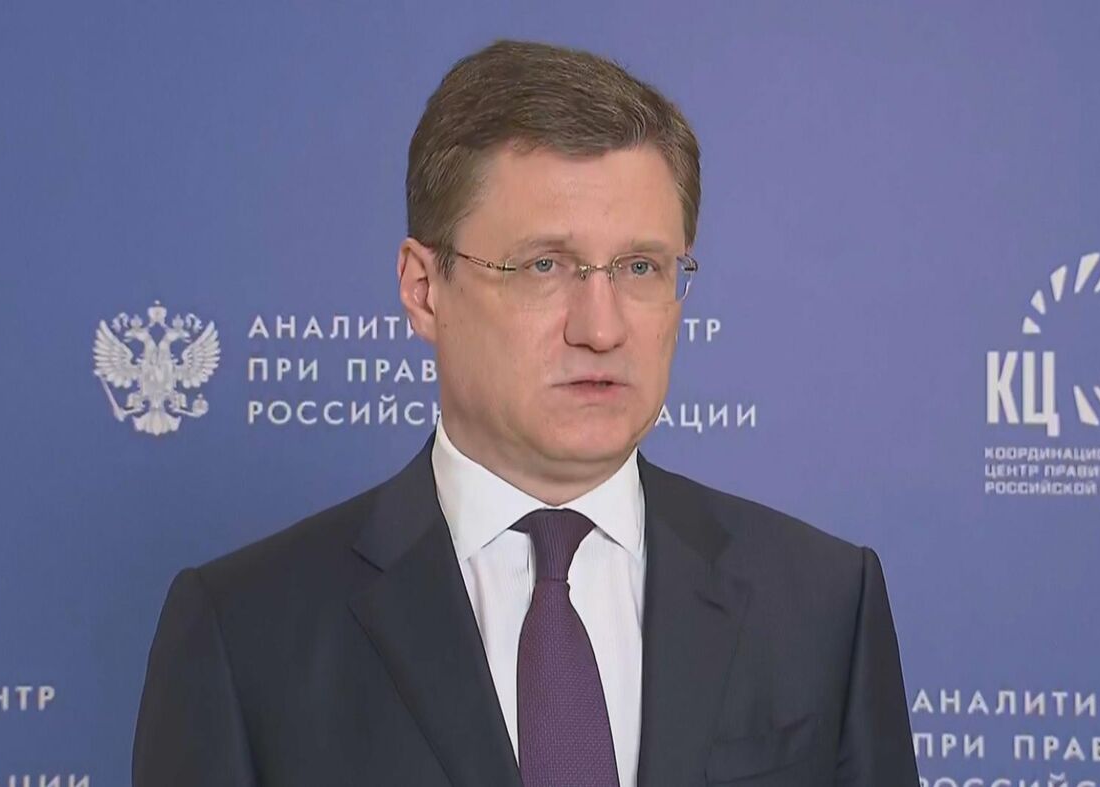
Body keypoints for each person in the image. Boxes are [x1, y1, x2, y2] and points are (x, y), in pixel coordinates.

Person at [132, 38, 919, 787]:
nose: (600, 328)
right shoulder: (244, 632)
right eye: (545, 265)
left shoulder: (822, 603)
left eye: (641, 267)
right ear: (424, 290)